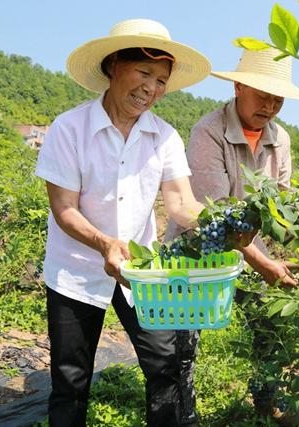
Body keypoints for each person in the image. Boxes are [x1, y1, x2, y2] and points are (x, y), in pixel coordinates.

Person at [35, 19, 212, 427]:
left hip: (140, 270)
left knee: (164, 364)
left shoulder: (164, 136)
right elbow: (64, 208)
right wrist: (104, 243)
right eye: (144, 73)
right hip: (75, 271)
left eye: (162, 80)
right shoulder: (69, 129)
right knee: (70, 378)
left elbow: (182, 204)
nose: (152, 88)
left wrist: (228, 224)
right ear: (114, 65)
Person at [165, 47, 299, 425]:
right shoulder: (208, 131)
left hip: (253, 249)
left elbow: (282, 202)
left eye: (277, 97)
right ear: (238, 87)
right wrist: (266, 265)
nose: (270, 105)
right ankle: (184, 414)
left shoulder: (279, 139)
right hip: (198, 248)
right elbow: (217, 215)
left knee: (270, 325)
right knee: (183, 342)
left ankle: (266, 403)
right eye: (262, 94)